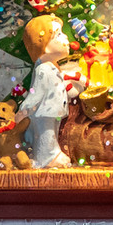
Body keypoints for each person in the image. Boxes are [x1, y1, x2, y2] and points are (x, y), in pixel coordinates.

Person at [18, 15, 83, 168]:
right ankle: (47, 158)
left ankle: (53, 153)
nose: (65, 37)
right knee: (46, 133)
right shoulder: (43, 69)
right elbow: (36, 93)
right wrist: (24, 109)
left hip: (52, 110)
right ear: (44, 45)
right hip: (44, 111)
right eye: (58, 34)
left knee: (52, 131)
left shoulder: (52, 67)